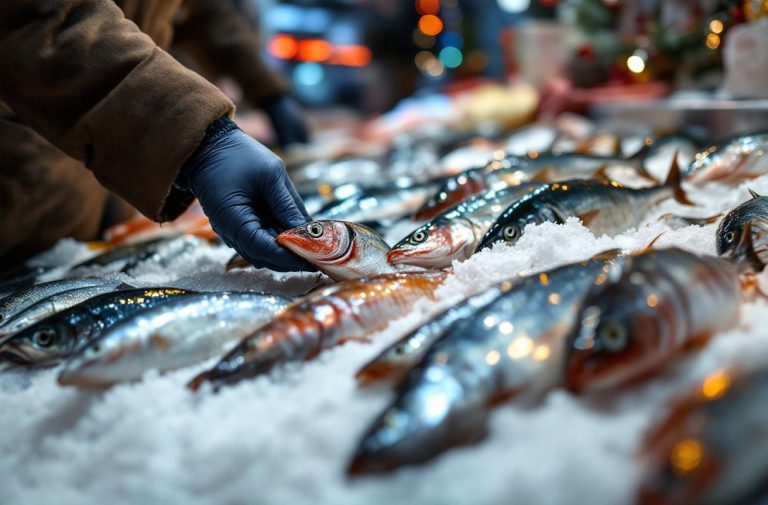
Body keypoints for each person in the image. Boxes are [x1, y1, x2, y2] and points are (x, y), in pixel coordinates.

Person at [0, 0, 311, 272]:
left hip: (103, 195)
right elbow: (39, 18)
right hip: (24, 190)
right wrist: (200, 139)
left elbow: (198, 8)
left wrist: (265, 87)